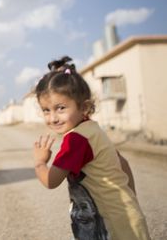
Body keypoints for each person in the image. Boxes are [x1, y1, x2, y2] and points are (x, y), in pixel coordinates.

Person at [32, 56, 150, 240]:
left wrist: (40, 162)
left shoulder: (75, 140)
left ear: (84, 107)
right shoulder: (92, 129)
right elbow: (123, 163)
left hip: (108, 226)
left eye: (61, 108)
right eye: (46, 110)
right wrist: (131, 200)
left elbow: (50, 181)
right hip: (127, 216)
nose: (53, 117)